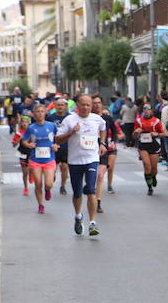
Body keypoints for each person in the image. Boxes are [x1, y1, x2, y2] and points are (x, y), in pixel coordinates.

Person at [55, 95, 106, 236]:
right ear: (77, 105)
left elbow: (103, 127)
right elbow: (58, 140)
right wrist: (71, 132)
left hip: (92, 159)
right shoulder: (69, 120)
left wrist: (102, 143)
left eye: (88, 105)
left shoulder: (96, 119)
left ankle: (92, 223)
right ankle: (78, 217)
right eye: (83, 104)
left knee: (90, 189)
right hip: (75, 161)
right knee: (77, 193)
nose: (85, 107)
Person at [21, 104, 59, 214]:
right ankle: (41, 205)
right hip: (35, 159)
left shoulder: (52, 126)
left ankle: (48, 190)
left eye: (42, 111)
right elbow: (24, 140)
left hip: (49, 158)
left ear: (45, 113)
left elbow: (59, 137)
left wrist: (56, 145)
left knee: (48, 184)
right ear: (34, 114)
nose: (40, 113)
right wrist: (28, 145)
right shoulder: (31, 128)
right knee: (38, 183)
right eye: (38, 111)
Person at [91, 95, 123, 212]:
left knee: (100, 176)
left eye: (98, 102)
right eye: (94, 103)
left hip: (103, 150)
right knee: (91, 177)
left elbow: (114, 131)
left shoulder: (107, 118)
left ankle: (98, 203)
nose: (96, 105)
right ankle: (91, 193)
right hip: (89, 150)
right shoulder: (87, 118)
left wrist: (111, 142)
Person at [133, 103, 166, 195]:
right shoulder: (139, 121)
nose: (146, 110)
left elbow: (164, 134)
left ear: (151, 110)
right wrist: (136, 132)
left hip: (153, 145)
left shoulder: (156, 121)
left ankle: (154, 177)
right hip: (143, 145)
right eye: (144, 109)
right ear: (143, 110)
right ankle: (149, 187)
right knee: (147, 165)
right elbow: (134, 136)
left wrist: (157, 134)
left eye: (148, 109)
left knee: (154, 169)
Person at [47, 98, 71, 195]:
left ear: (66, 106)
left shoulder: (70, 118)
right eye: (58, 105)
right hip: (54, 146)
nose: (60, 107)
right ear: (55, 106)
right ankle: (52, 177)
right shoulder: (50, 118)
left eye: (62, 105)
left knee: (65, 167)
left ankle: (63, 186)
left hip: (66, 146)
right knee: (53, 168)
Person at [12, 115, 31, 196]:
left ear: (29, 123)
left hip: (32, 152)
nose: (24, 123)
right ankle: (26, 188)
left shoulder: (32, 131)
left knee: (32, 169)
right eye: (23, 121)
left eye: (26, 122)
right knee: (25, 172)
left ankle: (32, 174)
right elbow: (14, 144)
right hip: (23, 153)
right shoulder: (19, 132)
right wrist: (19, 139)